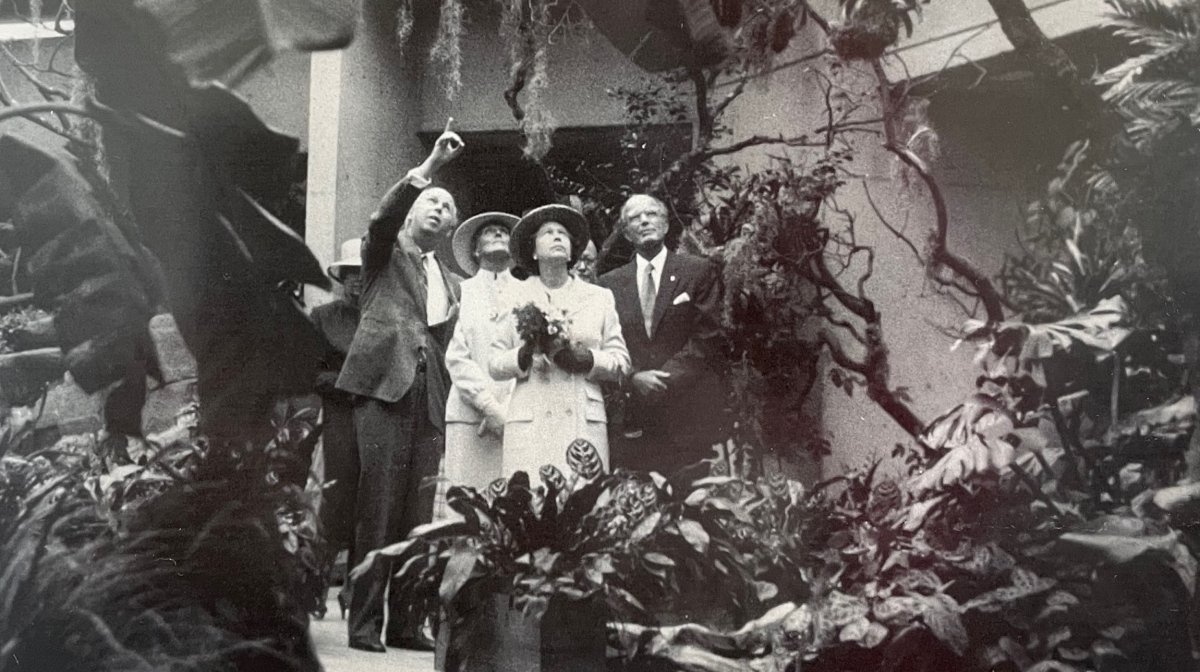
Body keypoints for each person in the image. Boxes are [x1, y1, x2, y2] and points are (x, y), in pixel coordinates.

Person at [334, 121, 465, 653]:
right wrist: (429, 169)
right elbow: (380, 219)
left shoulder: (454, 281)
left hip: (430, 398)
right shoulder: (383, 253)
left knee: (418, 514)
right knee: (378, 508)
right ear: (413, 213)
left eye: (448, 206)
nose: (439, 209)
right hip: (384, 388)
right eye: (431, 202)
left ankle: (408, 624)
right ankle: (364, 625)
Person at [489, 205, 630, 477]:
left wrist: (588, 360)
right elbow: (494, 363)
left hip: (581, 419)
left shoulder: (599, 297)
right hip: (531, 421)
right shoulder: (512, 294)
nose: (557, 237)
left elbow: (622, 362)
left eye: (563, 234)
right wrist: (525, 354)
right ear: (533, 251)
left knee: (582, 503)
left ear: (572, 251)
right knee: (529, 504)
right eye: (548, 233)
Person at [597, 194, 727, 479]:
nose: (644, 221)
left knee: (693, 505)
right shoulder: (609, 284)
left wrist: (663, 379)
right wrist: (633, 378)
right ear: (627, 233)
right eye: (634, 218)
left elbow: (709, 336)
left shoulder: (697, 271)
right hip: (635, 414)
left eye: (652, 214)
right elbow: (606, 343)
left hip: (687, 411)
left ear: (666, 225)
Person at [443, 212, 519, 492]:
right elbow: (456, 356)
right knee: (466, 503)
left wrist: (506, 411)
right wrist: (489, 407)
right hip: (469, 415)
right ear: (475, 250)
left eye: (504, 231)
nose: (498, 234)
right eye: (489, 232)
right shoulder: (459, 291)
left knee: (511, 504)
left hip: (516, 416)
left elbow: (529, 355)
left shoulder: (529, 292)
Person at [310, 239, 364, 620]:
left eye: (366, 274)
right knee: (335, 498)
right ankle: (315, 583)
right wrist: (344, 382)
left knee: (371, 501)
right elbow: (308, 371)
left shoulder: (384, 315)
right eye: (352, 274)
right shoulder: (324, 316)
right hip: (339, 416)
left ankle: (355, 590)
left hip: (378, 419)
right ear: (342, 278)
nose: (359, 281)